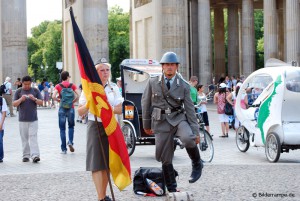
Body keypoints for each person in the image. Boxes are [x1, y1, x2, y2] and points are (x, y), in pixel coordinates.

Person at [141, 52, 203, 193]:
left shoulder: (184, 85)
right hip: (160, 121)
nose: (169, 67)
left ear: (177, 67)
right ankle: (172, 187)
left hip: (178, 118)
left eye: (172, 65)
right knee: (164, 157)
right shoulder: (152, 82)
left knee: (188, 138)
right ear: (162, 67)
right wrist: (146, 125)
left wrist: (196, 132)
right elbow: (145, 103)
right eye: (167, 65)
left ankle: (197, 163)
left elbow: (190, 110)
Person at [78, 58, 123, 201]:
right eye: (102, 70)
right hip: (95, 125)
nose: (105, 73)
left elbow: (120, 108)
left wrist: (107, 108)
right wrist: (89, 105)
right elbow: (80, 111)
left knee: (107, 164)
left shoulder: (113, 88)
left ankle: (103, 195)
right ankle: (100, 197)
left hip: (110, 125)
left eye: (107, 70)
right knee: (96, 163)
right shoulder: (89, 89)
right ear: (96, 73)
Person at [13, 75, 43, 163]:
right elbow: (14, 104)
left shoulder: (35, 90)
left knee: (33, 137)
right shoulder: (19, 91)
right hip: (22, 119)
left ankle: (35, 155)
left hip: (33, 119)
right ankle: (26, 155)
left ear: (31, 83)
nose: (27, 86)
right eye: (25, 84)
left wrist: (34, 99)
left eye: (28, 84)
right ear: (22, 83)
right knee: (24, 138)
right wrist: (20, 100)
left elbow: (41, 102)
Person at [52, 71, 80, 154]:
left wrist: (59, 100)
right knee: (71, 127)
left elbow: (53, 96)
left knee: (62, 129)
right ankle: (70, 142)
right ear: (67, 77)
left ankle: (64, 149)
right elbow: (79, 94)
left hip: (62, 108)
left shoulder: (58, 86)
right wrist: (73, 101)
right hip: (70, 108)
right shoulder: (72, 85)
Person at [0, 96, 8, 163]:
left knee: (0, 141)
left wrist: (1, 124)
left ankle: (0, 157)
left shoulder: (2, 100)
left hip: (0, 125)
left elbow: (4, 113)